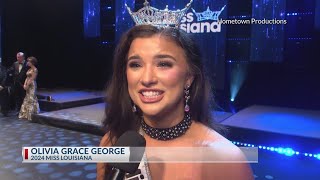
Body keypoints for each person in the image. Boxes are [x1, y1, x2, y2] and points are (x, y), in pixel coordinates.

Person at [97, 24, 253, 179]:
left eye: (164, 64)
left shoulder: (226, 159)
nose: (147, 79)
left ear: (188, 78)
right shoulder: (113, 142)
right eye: (135, 65)